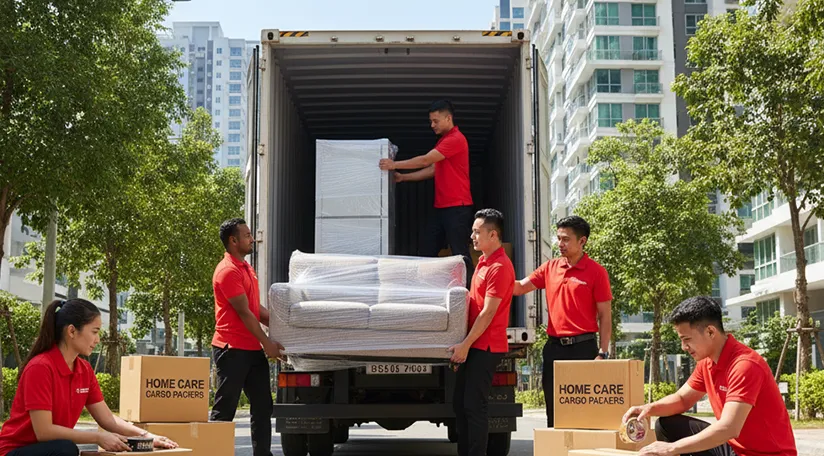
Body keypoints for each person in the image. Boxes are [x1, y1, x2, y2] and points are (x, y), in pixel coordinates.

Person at [0, 298, 179, 456]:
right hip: (15, 450)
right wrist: (97, 437)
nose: (98, 339)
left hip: (50, 450)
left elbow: (108, 419)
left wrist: (146, 437)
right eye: (94, 332)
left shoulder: (84, 370)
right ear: (71, 331)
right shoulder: (40, 368)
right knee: (66, 449)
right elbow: (44, 432)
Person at [623, 296, 797, 456]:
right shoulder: (707, 363)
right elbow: (683, 399)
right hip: (733, 449)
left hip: (766, 454)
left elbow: (729, 428)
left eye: (687, 339)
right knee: (666, 424)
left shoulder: (745, 365)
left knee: (677, 444)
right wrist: (648, 408)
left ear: (711, 332)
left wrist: (671, 448)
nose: (684, 346)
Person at [512, 215, 613, 427]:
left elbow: (605, 316)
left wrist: (603, 352)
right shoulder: (550, 267)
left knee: (583, 410)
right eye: (558, 238)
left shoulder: (597, 272)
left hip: (584, 349)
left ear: (582, 241)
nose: (560, 244)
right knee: (554, 411)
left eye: (566, 239)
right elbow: (520, 287)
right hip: (554, 348)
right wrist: (491, 278)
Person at [378, 99, 474, 284]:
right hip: (442, 207)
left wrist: (393, 164)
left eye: (435, 121)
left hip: (457, 207)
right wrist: (403, 177)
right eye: (431, 121)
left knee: (460, 254)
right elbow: (432, 169)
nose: (432, 125)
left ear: (448, 118)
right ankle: (425, 290)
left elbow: (425, 160)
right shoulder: (445, 141)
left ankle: (471, 296)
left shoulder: (455, 139)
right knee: (426, 249)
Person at [210, 218, 283, 456]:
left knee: (263, 406)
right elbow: (243, 313)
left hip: (251, 348)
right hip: (231, 349)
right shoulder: (227, 271)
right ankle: (215, 452)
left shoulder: (246, 268)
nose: (252, 239)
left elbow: (255, 309)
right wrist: (268, 344)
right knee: (225, 409)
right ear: (234, 241)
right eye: (248, 235)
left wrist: (285, 325)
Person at [448, 209, 515, 456]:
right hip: (474, 344)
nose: (473, 236)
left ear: (493, 234)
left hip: (485, 346)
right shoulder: (484, 262)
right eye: (473, 231)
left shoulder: (499, 266)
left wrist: (465, 344)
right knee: (461, 405)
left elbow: (488, 313)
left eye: (477, 232)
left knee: (475, 407)